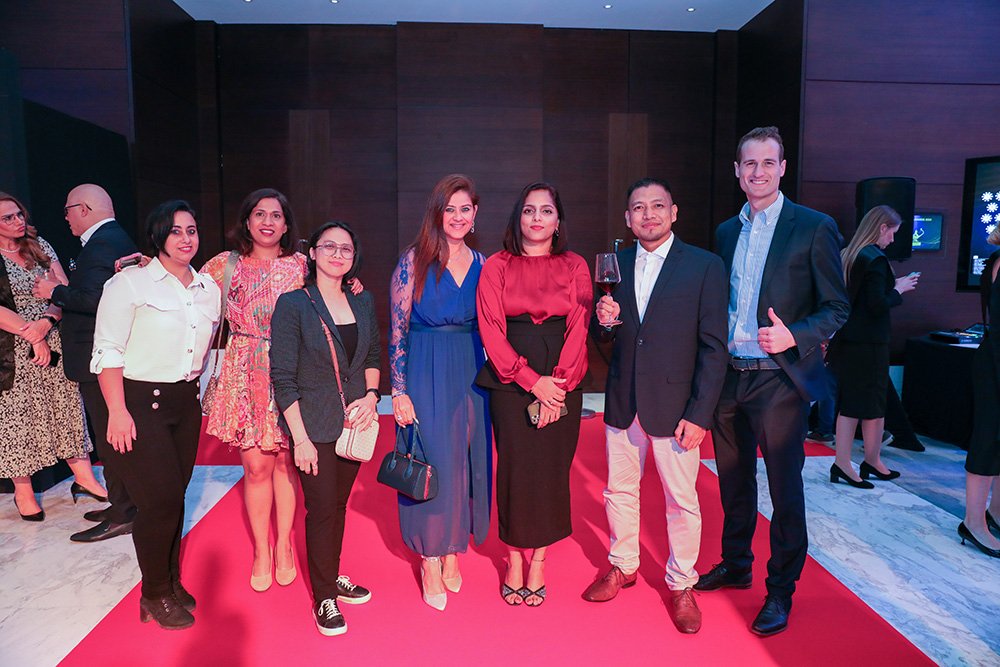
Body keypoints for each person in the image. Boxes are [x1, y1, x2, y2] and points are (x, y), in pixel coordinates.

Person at [697, 126, 849, 636]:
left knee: (784, 492)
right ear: (737, 172)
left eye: (767, 163)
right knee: (733, 482)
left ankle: (780, 590)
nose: (758, 172)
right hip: (729, 377)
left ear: (782, 168)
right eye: (749, 163)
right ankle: (736, 563)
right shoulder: (725, 232)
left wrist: (794, 335)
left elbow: (837, 307)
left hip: (779, 381)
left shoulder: (814, 227)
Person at [583, 178, 728, 634]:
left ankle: (682, 583)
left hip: (677, 407)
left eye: (657, 206)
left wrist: (699, 414)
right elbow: (607, 339)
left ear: (673, 212)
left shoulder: (704, 266)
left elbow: (714, 348)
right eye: (639, 208)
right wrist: (603, 324)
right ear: (628, 218)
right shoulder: (616, 265)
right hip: (624, 399)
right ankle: (623, 565)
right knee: (619, 491)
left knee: (681, 501)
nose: (649, 215)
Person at [91, 200, 221, 629]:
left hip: (185, 403)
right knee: (158, 501)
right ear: (157, 236)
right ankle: (154, 593)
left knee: (174, 499)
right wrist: (116, 411)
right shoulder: (128, 283)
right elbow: (107, 350)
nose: (185, 239)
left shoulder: (207, 289)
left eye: (191, 230)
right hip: (138, 403)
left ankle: (170, 581)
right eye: (175, 231)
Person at [476, 182, 591, 607]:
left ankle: (539, 560)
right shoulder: (497, 265)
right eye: (529, 210)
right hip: (510, 377)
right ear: (518, 218)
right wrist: (531, 381)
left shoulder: (575, 265)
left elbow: (580, 325)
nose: (537, 218)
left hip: (564, 374)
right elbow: (491, 329)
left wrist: (557, 385)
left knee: (551, 470)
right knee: (515, 469)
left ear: (558, 220)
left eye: (546, 210)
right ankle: (513, 558)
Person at [270, 221, 379, 636]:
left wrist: (372, 397)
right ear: (312, 253)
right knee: (320, 509)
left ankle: (330, 576)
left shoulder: (362, 300)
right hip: (313, 427)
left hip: (354, 422)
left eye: (346, 249)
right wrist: (299, 439)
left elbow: (372, 355)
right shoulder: (294, 304)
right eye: (329, 246)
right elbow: (283, 377)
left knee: (337, 505)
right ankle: (324, 596)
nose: (337, 254)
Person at [389, 174, 491, 611]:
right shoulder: (414, 261)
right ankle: (430, 558)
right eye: (450, 209)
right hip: (424, 368)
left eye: (465, 209)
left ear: (475, 213)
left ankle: (452, 549)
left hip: (470, 369)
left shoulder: (485, 263)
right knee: (432, 459)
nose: (458, 217)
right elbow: (397, 330)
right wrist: (398, 390)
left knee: (464, 459)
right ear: (437, 213)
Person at [201, 188, 306, 592]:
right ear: (246, 221)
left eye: (276, 215)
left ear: (286, 224)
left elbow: (334, 295)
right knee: (256, 466)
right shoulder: (224, 265)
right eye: (259, 214)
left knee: (286, 462)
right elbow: (183, 290)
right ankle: (262, 549)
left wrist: (353, 283)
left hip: (290, 369)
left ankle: (284, 546)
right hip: (245, 371)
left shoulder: (302, 266)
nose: (267, 222)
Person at [34, 184, 138, 542]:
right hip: (103, 356)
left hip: (100, 357)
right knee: (111, 438)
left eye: (67, 210)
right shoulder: (113, 238)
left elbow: (97, 300)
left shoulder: (103, 244)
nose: (65, 218)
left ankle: (125, 512)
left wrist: (55, 292)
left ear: (84, 209)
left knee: (112, 440)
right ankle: (122, 504)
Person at [0, 192, 105, 520]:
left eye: (19, 214)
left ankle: (84, 477)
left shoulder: (39, 245)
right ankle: (23, 491)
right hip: (12, 344)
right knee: (19, 416)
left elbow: (63, 288)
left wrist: (45, 324)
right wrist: (31, 335)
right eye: (8, 218)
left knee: (67, 405)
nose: (18, 221)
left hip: (52, 333)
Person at [828, 205, 917, 488]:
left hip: (850, 341)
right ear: (882, 227)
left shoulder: (851, 255)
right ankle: (860, 461)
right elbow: (876, 305)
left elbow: (858, 298)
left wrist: (892, 286)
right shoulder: (876, 258)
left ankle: (855, 462)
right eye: (893, 232)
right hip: (870, 343)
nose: (892, 239)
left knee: (851, 404)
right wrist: (898, 290)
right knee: (871, 405)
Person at [961, 227, 1000, 558]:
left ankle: (995, 513)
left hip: (992, 355)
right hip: (995, 361)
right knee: (988, 438)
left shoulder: (995, 259)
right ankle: (973, 522)